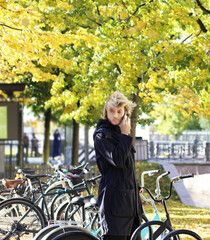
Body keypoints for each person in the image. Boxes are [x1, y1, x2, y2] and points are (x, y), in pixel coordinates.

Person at [93, 90, 143, 240]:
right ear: (105, 112)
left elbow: (128, 166)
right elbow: (118, 161)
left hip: (130, 204)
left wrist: (136, 185)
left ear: (125, 112)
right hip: (114, 204)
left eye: (119, 111)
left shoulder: (122, 132)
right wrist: (124, 135)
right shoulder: (102, 135)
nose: (115, 115)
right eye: (111, 111)